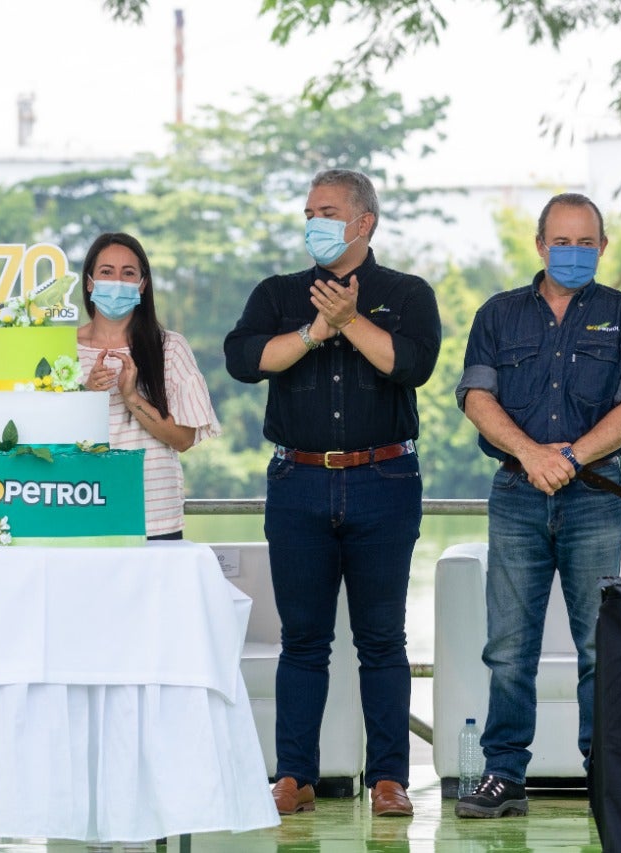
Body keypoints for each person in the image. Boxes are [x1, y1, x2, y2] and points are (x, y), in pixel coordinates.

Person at [224, 169, 441, 818]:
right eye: (309, 210)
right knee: (303, 638)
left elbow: (412, 364)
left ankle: (389, 778)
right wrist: (316, 331)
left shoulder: (406, 293)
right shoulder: (279, 294)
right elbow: (243, 358)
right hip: (299, 482)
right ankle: (294, 774)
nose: (313, 220)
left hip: (385, 481)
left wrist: (349, 321)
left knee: (382, 638)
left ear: (363, 222)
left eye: (327, 210)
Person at [454, 193, 621, 819]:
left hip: (593, 499)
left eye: (585, 242)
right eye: (561, 242)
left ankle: (605, 776)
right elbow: (476, 397)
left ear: (603, 246)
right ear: (540, 246)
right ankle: (503, 776)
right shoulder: (497, 314)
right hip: (516, 495)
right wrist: (532, 455)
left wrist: (567, 459)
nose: (573, 252)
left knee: (601, 645)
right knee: (509, 646)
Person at [75, 232, 220, 539]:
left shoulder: (170, 347)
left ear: (142, 285)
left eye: (128, 274)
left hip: (154, 518)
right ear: (89, 282)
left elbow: (182, 439)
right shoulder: (60, 349)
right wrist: (87, 395)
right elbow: (46, 436)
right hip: (82, 509)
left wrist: (132, 397)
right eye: (106, 272)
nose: (117, 282)